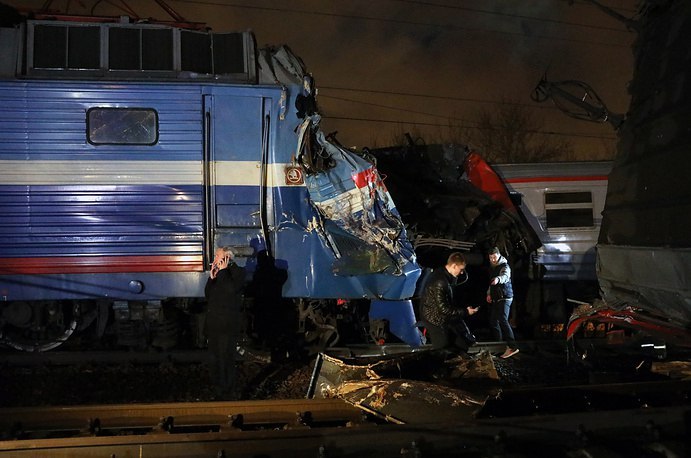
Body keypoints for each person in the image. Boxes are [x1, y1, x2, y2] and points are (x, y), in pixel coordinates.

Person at [419, 252, 479, 356]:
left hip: (442, 315)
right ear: (454, 266)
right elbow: (444, 309)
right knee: (443, 349)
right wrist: (466, 311)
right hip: (434, 318)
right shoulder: (440, 281)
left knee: (461, 341)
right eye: (461, 269)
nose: (461, 273)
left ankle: (457, 361)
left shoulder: (445, 275)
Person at [204, 246, 246, 397]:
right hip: (215, 325)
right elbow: (209, 295)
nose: (214, 259)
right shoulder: (220, 275)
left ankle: (227, 389)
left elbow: (230, 291)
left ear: (227, 258)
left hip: (226, 326)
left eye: (217, 256)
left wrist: (222, 272)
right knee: (215, 358)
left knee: (225, 358)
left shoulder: (238, 273)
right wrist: (211, 279)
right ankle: (217, 387)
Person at [486, 246, 519, 359]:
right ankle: (498, 344)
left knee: (503, 319)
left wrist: (498, 279)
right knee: (493, 321)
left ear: (498, 255)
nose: (493, 260)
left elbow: (505, 276)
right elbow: (491, 283)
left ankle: (512, 346)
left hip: (505, 297)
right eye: (491, 258)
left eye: (494, 257)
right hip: (496, 298)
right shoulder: (492, 267)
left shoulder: (505, 266)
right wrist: (489, 294)